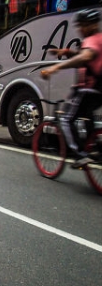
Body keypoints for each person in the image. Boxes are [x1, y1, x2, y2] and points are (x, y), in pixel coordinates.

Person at [41, 9, 102, 168]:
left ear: (92, 25)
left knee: (66, 119)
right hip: (98, 90)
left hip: (88, 88)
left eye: (83, 26)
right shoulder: (98, 40)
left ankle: (80, 154)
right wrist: (67, 52)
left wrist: (56, 68)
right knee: (88, 118)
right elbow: (86, 57)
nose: (80, 29)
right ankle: (95, 148)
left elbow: (86, 57)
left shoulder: (92, 39)